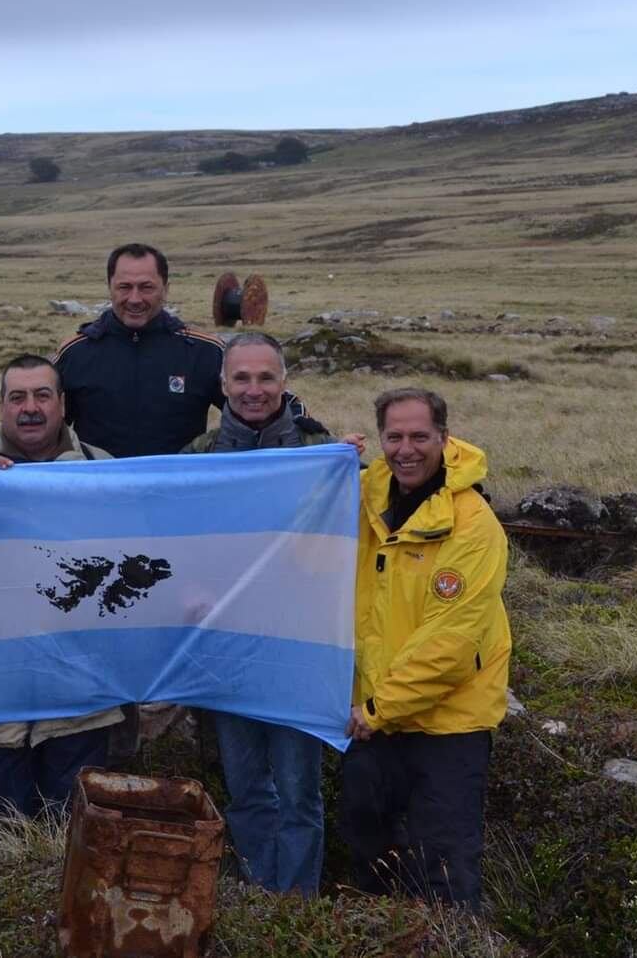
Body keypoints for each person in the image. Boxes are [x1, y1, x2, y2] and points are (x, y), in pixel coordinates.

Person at [182, 332, 365, 896]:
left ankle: (299, 906)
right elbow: (178, 540)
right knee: (246, 788)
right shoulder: (197, 455)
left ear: (284, 382)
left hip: (300, 651)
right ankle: (259, 897)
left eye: (266, 378)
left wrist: (351, 469)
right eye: (241, 378)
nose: (254, 389)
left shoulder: (323, 450)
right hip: (228, 652)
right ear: (223, 385)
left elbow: (348, 543)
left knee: (298, 791)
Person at [342, 387, 511, 911]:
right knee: (368, 858)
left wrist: (377, 710)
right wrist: (323, 460)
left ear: (443, 437)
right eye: (393, 436)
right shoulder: (363, 495)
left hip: (445, 725)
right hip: (372, 720)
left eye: (419, 436)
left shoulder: (472, 523)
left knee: (442, 867)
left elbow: (450, 643)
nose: (406, 449)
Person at [0, 354, 124, 814]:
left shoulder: (101, 468)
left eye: (42, 396)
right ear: (1, 406)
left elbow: (125, 570)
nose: (30, 407)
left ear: (62, 404)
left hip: (80, 701)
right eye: (18, 397)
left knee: (75, 841)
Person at [53, 243, 227, 458]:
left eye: (146, 287)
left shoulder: (204, 352)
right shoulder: (75, 354)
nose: (135, 299)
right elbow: (39, 428)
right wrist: (2, 455)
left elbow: (252, 414)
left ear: (165, 289)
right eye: (124, 287)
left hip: (179, 487)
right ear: (110, 287)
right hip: (100, 488)